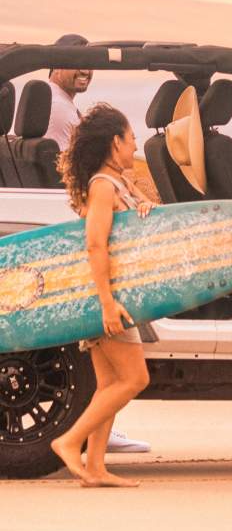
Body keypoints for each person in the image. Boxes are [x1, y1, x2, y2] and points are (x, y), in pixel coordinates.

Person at [46, 34, 151, 453]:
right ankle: (71, 443)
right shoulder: (104, 186)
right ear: (114, 144)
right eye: (130, 139)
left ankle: (94, 467)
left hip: (108, 295)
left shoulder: (114, 182)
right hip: (107, 297)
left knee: (109, 382)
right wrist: (107, 302)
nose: (137, 145)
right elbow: (95, 245)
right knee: (133, 379)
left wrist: (140, 202)